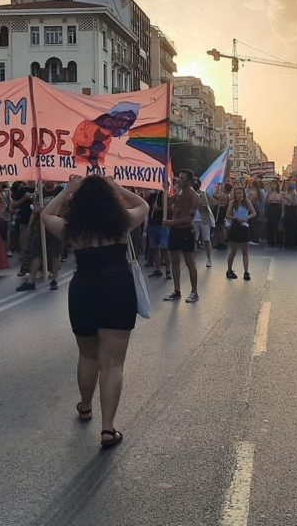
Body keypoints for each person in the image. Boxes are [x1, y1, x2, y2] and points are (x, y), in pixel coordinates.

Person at [41, 175, 149, 450]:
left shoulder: (73, 229)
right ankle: (108, 429)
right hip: (117, 289)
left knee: (88, 355)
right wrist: (117, 188)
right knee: (112, 364)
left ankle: (86, 406)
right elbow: (144, 206)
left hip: (84, 290)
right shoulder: (122, 221)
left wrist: (69, 189)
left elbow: (46, 214)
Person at [163, 169, 200, 303]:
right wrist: (165, 191)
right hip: (174, 231)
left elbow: (189, 219)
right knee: (174, 260)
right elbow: (167, 202)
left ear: (189, 182)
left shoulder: (194, 196)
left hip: (186, 231)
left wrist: (172, 222)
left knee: (189, 262)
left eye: (182, 178)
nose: (179, 179)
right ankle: (177, 290)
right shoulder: (178, 192)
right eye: (179, 177)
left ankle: (194, 292)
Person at [226, 185, 257, 280]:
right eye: (236, 193)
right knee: (233, 251)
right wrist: (235, 218)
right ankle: (229, 270)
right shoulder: (232, 203)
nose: (238, 195)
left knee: (245, 251)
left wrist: (246, 218)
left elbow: (253, 213)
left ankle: (246, 271)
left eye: (240, 193)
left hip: (244, 227)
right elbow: (227, 215)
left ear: (243, 193)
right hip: (235, 226)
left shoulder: (247, 202)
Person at [145, 189, 170, 279]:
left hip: (162, 225)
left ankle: (168, 270)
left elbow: (168, 208)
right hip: (152, 224)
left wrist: (158, 208)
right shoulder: (151, 196)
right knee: (154, 248)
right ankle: (158, 269)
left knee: (164, 248)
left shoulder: (164, 195)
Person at [193, 178, 215, 268]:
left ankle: (209, 259)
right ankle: (193, 259)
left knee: (206, 240)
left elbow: (213, 203)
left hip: (204, 220)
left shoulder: (204, 194)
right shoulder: (190, 194)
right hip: (193, 220)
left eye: (196, 183)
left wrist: (207, 209)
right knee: (194, 240)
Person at [265, 181, 284, 248]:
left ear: (277, 185)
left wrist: (282, 213)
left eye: (275, 185)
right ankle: (271, 242)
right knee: (270, 225)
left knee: (277, 225)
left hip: (278, 208)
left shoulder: (281, 193)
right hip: (270, 208)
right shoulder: (269, 193)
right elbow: (266, 203)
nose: (273, 186)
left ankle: (279, 242)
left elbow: (282, 204)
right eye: (272, 185)